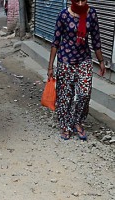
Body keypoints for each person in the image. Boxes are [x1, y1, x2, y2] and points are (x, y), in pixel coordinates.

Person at [47, 0, 106, 140]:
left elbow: (96, 39)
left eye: (83, 0)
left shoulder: (91, 14)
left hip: (84, 60)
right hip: (65, 61)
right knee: (65, 96)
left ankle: (77, 121)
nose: (80, 3)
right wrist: (50, 66)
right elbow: (55, 42)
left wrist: (101, 61)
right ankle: (65, 125)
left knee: (84, 93)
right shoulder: (63, 15)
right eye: (77, 0)